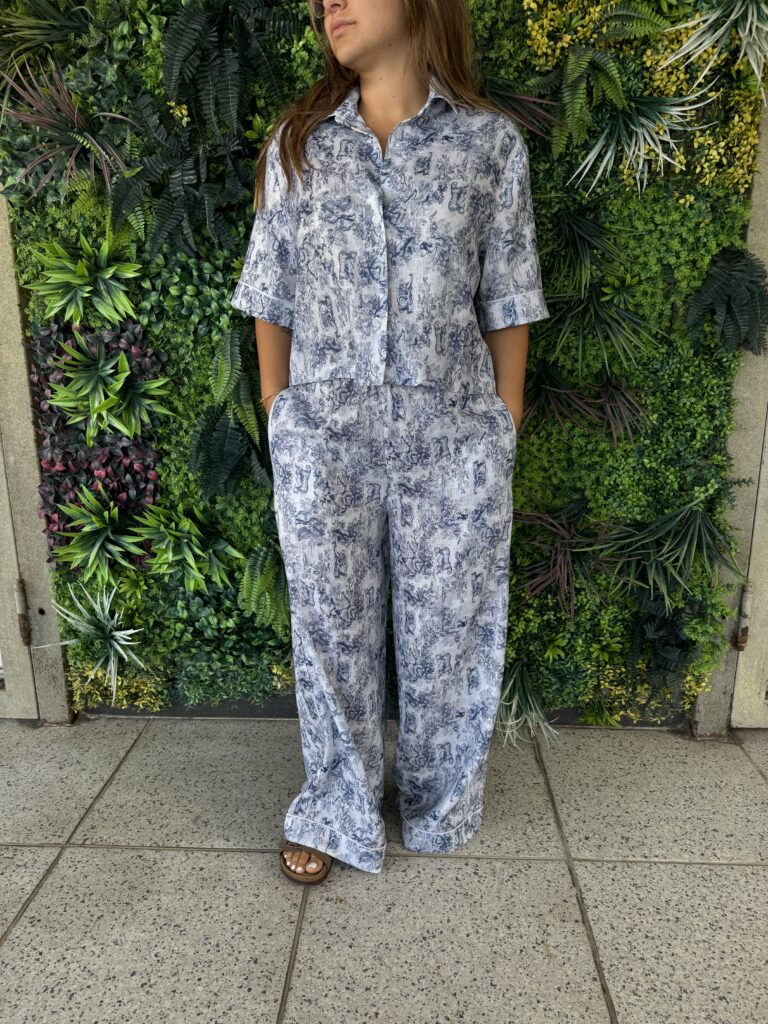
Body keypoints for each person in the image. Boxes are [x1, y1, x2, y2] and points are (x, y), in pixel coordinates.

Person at [231, 0, 550, 883]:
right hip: (324, 440)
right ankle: (337, 807)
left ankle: (439, 806)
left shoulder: (488, 146)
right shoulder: (298, 146)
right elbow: (270, 291)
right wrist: (278, 410)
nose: (328, 4)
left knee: (453, 634)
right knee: (330, 635)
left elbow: (510, 297)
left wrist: (503, 422)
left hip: (453, 441)